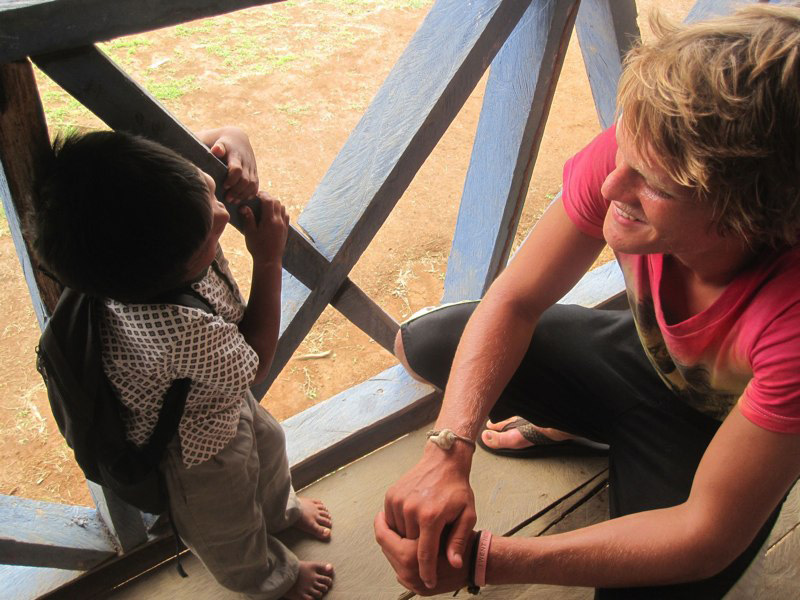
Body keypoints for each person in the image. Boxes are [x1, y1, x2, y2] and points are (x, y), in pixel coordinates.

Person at [376, 4, 800, 598]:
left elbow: (706, 533)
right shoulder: (649, 147)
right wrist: (448, 450)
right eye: (623, 153)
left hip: (721, 432)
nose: (609, 187)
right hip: (644, 358)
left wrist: (487, 560)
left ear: (747, 214)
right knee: (427, 342)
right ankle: (575, 425)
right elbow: (515, 300)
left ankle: (593, 427)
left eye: (653, 185)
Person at [32, 126, 334, 600]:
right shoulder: (172, 328)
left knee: (269, 446)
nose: (221, 213)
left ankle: (281, 512)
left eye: (207, 190)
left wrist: (233, 148)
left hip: (216, 395)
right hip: (194, 448)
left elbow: (196, 155)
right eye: (209, 234)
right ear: (173, 271)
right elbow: (253, 365)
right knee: (228, 522)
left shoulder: (137, 221)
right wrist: (268, 259)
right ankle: (268, 576)